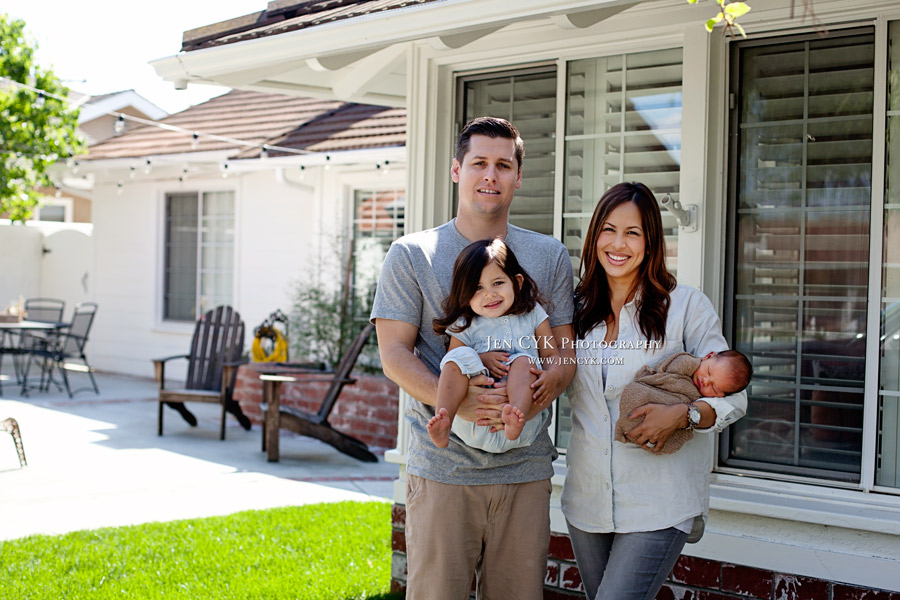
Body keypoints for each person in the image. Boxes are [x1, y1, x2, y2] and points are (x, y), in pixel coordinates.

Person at [371, 116, 575, 600]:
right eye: (479, 162)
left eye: (503, 165)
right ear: (456, 170)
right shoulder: (412, 253)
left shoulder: (548, 256)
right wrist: (456, 404)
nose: (491, 175)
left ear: (518, 176)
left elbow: (561, 350)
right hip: (444, 469)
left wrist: (549, 383)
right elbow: (394, 354)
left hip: (524, 468)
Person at [560, 182, 748, 600]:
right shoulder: (573, 311)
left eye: (633, 233)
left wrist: (686, 415)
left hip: (659, 501)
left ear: (651, 241)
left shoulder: (686, 307)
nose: (618, 244)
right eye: (608, 230)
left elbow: (734, 396)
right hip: (587, 498)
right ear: (594, 236)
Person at [429, 237, 560, 450]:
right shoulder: (466, 323)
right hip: (476, 419)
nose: (489, 294)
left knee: (525, 361)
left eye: (498, 283)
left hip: (523, 420)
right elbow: (451, 364)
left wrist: (553, 375)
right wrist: (481, 359)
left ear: (517, 282)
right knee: (458, 358)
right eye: (477, 288)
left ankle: (513, 417)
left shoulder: (533, 314)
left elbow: (551, 355)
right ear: (465, 294)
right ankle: (445, 418)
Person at [615, 350, 752, 454]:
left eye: (713, 387)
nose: (705, 381)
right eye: (709, 372)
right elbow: (666, 372)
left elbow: (735, 404)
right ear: (708, 356)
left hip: (660, 464)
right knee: (639, 394)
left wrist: (682, 414)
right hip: (649, 394)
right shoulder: (688, 364)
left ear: (721, 396)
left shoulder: (702, 397)